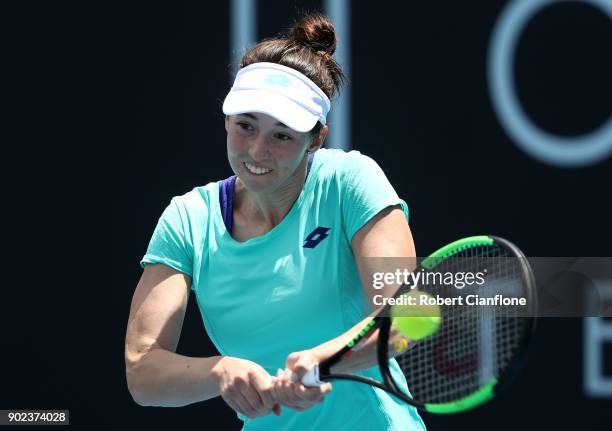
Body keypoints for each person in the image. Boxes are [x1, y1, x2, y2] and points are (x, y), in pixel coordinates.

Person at [125, 12, 426, 431]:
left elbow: (408, 316)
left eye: (282, 135)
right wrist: (220, 372)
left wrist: (324, 360)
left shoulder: (351, 182)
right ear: (226, 120)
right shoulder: (187, 221)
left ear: (316, 138)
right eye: (245, 126)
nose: (257, 151)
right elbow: (143, 373)